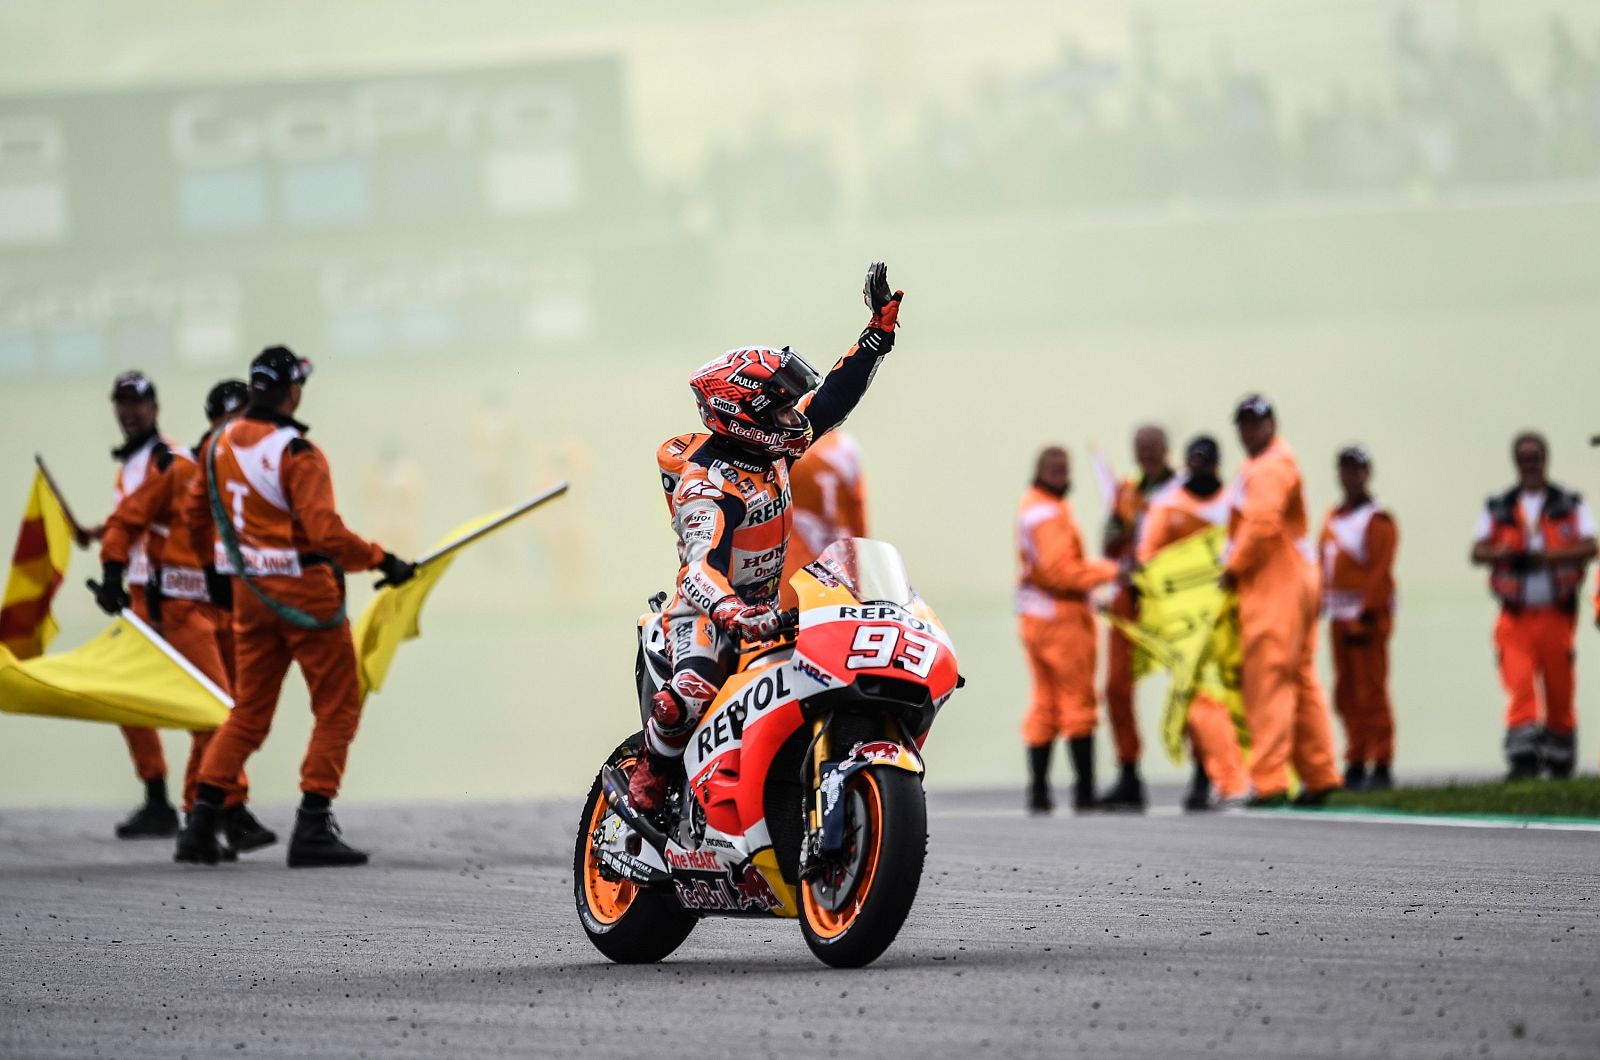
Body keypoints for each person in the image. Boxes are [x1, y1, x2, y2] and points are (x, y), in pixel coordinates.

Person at [627, 263, 903, 813]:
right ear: (741, 414)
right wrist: (732, 610)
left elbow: (829, 402)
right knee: (694, 691)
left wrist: (876, 338)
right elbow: (698, 568)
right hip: (705, 615)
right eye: (778, 406)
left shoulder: (771, 445)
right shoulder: (706, 486)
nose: (792, 415)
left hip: (770, 608)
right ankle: (650, 779)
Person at [174, 346, 417, 867]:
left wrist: (218, 577)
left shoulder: (216, 445)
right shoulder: (296, 452)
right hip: (306, 598)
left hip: (248, 597)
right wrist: (383, 560)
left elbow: (197, 518)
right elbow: (325, 533)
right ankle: (312, 823)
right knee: (337, 707)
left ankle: (199, 824)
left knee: (247, 714)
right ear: (291, 391)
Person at [93, 379, 275, 856]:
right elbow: (127, 522)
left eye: (245, 423)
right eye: (228, 424)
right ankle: (220, 814)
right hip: (178, 611)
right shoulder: (181, 470)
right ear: (212, 424)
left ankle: (205, 816)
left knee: (222, 713)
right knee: (216, 712)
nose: (237, 433)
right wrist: (114, 574)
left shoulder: (250, 478)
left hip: (227, 611)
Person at [1221, 395, 1342, 806]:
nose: (1250, 430)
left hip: (1276, 584)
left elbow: (1260, 524)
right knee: (1300, 678)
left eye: (1257, 423)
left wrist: (1233, 567)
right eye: (1244, 424)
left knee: (1268, 679)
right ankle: (1320, 772)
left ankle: (1271, 781)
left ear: (1272, 423)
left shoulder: (1269, 467)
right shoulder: (1266, 463)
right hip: (1293, 582)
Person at [1470, 432, 1596, 780]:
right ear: (1516, 461)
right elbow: (1478, 551)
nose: (1530, 463)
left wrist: (1547, 559)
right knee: (1519, 684)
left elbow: (1589, 545)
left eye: (1535, 456)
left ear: (1545, 459)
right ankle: (1523, 757)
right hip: (1516, 616)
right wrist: (1507, 555)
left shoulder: (1569, 503)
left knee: (1559, 688)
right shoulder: (1500, 506)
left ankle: (1560, 756)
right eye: (1524, 456)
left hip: (1556, 613)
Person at [1135, 435, 1249, 810]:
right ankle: (1207, 773)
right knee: (1196, 701)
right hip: (1186, 625)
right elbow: (1148, 558)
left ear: (1217, 465)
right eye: (1194, 462)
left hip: (1225, 619)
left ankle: (1231, 773)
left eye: (1206, 462)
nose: (1199, 469)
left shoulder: (1233, 502)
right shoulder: (1168, 505)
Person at [93, 371, 182, 838]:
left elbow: (152, 517)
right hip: (144, 592)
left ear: (156, 407)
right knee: (127, 693)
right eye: (121, 403)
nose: (129, 412)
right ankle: (165, 800)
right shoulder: (132, 462)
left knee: (203, 697)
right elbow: (130, 520)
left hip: (167, 595)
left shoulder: (163, 458)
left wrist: (115, 559)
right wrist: (99, 534)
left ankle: (210, 801)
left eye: (138, 403)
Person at [1017, 446, 1120, 814]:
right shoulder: (1046, 512)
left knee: (1045, 704)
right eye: (1057, 469)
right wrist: (1112, 572)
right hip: (1060, 620)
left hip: (1036, 618)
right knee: (1078, 703)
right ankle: (1085, 791)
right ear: (1043, 471)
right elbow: (1060, 572)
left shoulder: (1035, 505)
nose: (1064, 475)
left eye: (1066, 469)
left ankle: (1040, 791)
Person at [1099, 424, 1177, 811]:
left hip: (1169, 600)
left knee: (1188, 683)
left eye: (1152, 446)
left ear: (1165, 448)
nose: (1146, 452)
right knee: (1115, 686)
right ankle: (1129, 771)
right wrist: (1123, 520)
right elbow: (1108, 544)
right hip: (1129, 597)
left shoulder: (1181, 490)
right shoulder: (1127, 491)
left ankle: (1208, 770)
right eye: (1140, 447)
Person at [1319, 445, 1400, 791]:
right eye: (1344, 469)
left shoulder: (1377, 519)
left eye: (1356, 469)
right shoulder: (1333, 517)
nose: (1349, 476)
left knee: (1372, 690)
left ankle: (1380, 761)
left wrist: (1366, 614)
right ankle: (1354, 759)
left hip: (1365, 619)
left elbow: (1380, 571)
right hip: (1338, 616)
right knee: (1346, 693)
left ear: (1368, 473)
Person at [780, 429, 869, 610]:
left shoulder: (781, 447)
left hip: (792, 573)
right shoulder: (847, 446)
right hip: (840, 568)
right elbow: (858, 516)